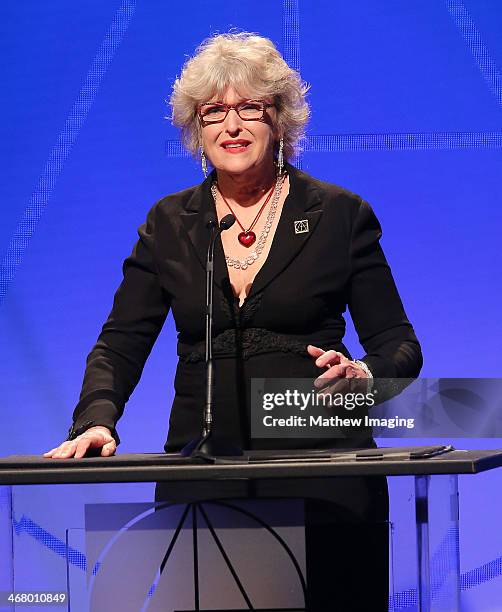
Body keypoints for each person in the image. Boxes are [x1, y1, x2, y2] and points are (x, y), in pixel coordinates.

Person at [44, 32, 422, 610]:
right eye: (214, 112)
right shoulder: (171, 223)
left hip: (322, 462)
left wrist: (365, 377)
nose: (232, 124)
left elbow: (399, 344)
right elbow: (121, 343)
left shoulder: (339, 215)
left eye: (251, 107)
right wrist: (97, 418)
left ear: (281, 120)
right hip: (204, 466)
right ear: (196, 129)